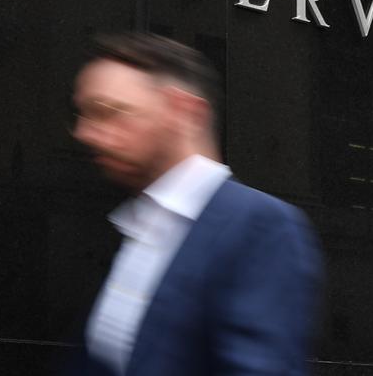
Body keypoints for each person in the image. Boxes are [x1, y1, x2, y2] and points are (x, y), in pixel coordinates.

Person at [68, 32, 324, 376]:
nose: (85, 133)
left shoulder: (261, 226)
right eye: (83, 114)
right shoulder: (127, 227)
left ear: (184, 111)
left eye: (109, 111)